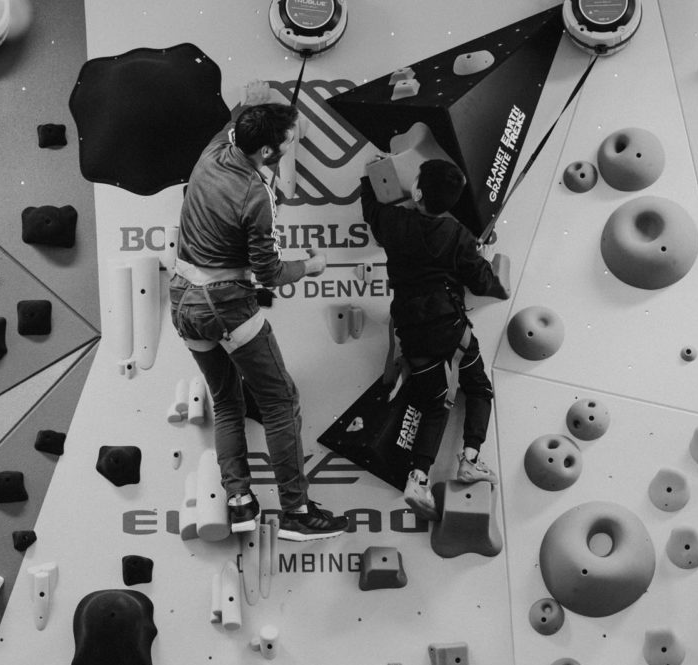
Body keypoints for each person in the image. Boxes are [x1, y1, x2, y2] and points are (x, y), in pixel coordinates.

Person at [170, 92, 348, 542]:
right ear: (267, 152)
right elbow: (268, 273)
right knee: (279, 400)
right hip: (225, 303)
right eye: (288, 141)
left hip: (182, 300)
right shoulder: (257, 195)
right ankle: (296, 511)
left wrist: (259, 103)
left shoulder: (213, 150)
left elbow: (239, 118)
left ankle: (240, 502)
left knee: (228, 400)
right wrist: (311, 267)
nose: (291, 144)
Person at [359, 159, 510, 520]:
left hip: (412, 331)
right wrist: (480, 252)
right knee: (479, 389)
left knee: (435, 402)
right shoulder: (457, 236)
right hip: (450, 329)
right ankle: (469, 459)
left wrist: (370, 174)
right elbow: (482, 282)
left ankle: (418, 478)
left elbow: (371, 209)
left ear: (418, 191)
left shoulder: (394, 223)